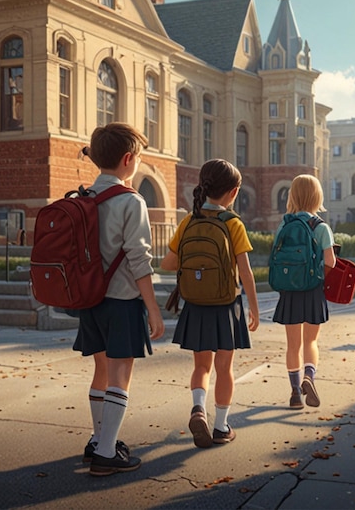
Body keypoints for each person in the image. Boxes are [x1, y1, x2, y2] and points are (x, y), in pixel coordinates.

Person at [72, 122, 165, 476]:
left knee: (101, 370)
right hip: (123, 301)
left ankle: (98, 441)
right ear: (128, 160)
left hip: (90, 300)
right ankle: (107, 451)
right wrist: (153, 309)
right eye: (139, 158)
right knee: (120, 374)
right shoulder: (131, 201)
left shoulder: (83, 198)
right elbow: (139, 259)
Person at [160, 159, 260, 448]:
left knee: (201, 366)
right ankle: (221, 426)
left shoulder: (189, 221)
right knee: (224, 368)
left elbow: (169, 262)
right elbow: (246, 272)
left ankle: (197, 409)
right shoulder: (232, 223)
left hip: (196, 305)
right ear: (234, 192)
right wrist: (253, 308)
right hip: (227, 305)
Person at [271, 174, 337, 410]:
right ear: (317, 196)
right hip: (312, 289)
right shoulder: (321, 227)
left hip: (289, 291)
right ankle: (309, 376)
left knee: (293, 345)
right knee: (311, 341)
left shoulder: (285, 224)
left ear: (293, 195)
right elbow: (330, 262)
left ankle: (295, 393)